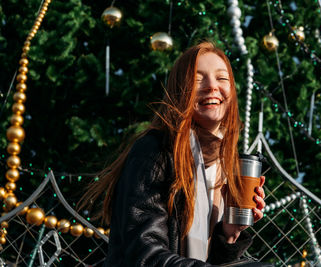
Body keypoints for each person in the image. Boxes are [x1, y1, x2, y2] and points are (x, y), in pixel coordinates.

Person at [79, 41, 266, 266]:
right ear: (180, 91)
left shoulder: (220, 166)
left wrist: (229, 232)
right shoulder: (154, 150)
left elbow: (209, 260)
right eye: (198, 79)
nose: (211, 86)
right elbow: (144, 255)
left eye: (222, 78)